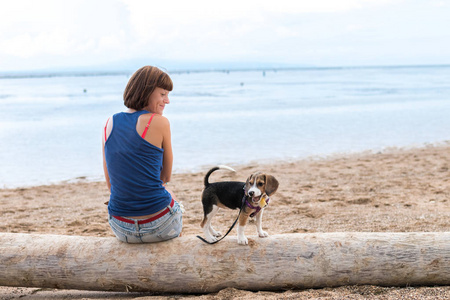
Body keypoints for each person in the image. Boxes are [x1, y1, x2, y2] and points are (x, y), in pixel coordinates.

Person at [102, 66, 182, 243]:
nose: (167, 100)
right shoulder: (160, 122)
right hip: (160, 225)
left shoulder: (109, 123)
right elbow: (166, 176)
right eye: (162, 94)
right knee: (170, 193)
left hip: (120, 227)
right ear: (146, 91)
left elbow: (111, 184)